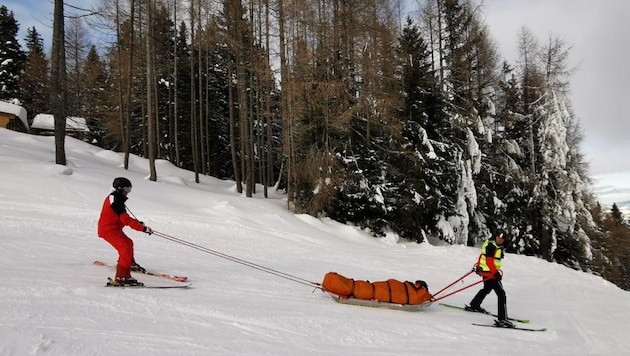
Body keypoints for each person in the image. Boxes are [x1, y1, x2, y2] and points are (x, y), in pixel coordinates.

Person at [98, 177, 153, 286]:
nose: (127, 193)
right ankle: (121, 277)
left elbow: (124, 217)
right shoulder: (115, 200)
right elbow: (125, 219)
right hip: (108, 230)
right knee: (125, 247)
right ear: (119, 189)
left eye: (129, 190)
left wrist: (138, 223)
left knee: (128, 243)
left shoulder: (116, 198)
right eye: (126, 190)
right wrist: (142, 229)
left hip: (113, 228)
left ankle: (129, 263)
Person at [465, 229, 514, 328]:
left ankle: (475, 304)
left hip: (486, 271)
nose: (500, 240)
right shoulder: (492, 246)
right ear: (495, 237)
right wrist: (495, 273)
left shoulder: (493, 244)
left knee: (487, 288)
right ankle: (502, 319)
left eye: (502, 239)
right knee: (501, 294)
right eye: (499, 238)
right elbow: (489, 261)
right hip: (490, 273)